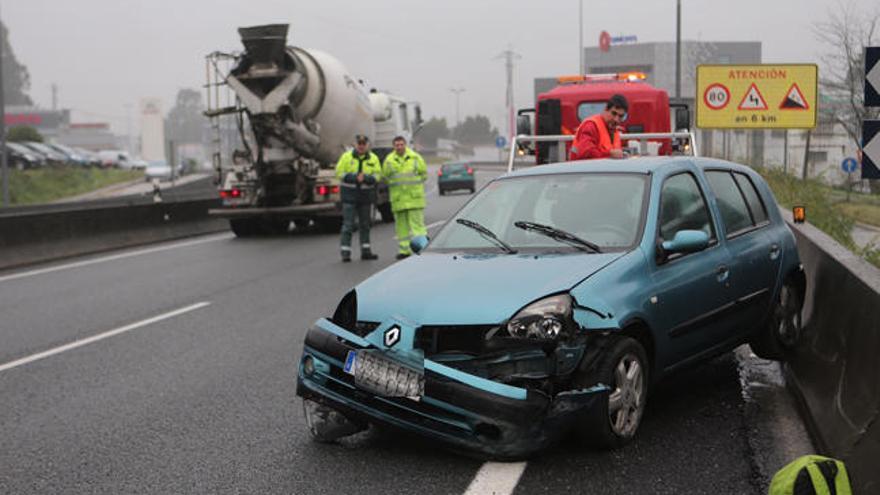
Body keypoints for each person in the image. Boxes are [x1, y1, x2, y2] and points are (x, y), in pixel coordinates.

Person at [335, 135, 382, 262]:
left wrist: (366, 178)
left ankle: (366, 251)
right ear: (355, 144)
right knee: (348, 225)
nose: (361, 146)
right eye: (359, 143)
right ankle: (345, 253)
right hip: (349, 196)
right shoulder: (346, 157)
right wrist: (354, 177)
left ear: (367, 145)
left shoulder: (373, 158)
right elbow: (339, 172)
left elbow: (378, 175)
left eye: (363, 143)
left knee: (365, 225)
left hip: (365, 197)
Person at [382, 136, 428, 259]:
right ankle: (404, 250)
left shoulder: (415, 158)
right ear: (393, 146)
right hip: (399, 200)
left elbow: (424, 175)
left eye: (401, 144)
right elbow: (385, 177)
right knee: (401, 228)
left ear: (405, 145)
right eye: (397, 145)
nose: (399, 147)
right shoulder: (389, 161)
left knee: (417, 226)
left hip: (414, 199)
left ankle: (422, 248)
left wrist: (413, 187)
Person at [569, 94, 628, 160]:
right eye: (614, 113)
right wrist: (610, 154)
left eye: (620, 116)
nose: (616, 119)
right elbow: (586, 153)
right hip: (583, 169)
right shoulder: (591, 126)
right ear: (606, 109)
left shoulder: (614, 131)